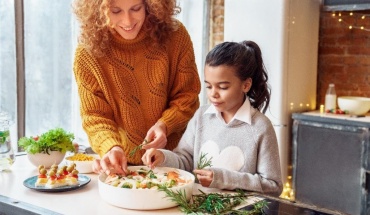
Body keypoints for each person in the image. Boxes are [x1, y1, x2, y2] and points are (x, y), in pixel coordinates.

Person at [72, 0, 201, 175]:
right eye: (116, 11)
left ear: (150, 5)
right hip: (124, 166)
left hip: (176, 160)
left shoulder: (176, 36)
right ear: (98, 11)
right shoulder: (88, 53)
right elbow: (95, 116)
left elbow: (188, 96)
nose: (127, 21)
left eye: (135, 9)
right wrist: (111, 147)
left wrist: (165, 125)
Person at [142, 40, 283, 196]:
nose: (213, 94)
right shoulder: (201, 117)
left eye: (223, 87)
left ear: (246, 85)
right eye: (209, 86)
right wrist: (163, 157)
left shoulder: (260, 127)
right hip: (197, 208)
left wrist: (221, 178)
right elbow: (185, 161)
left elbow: (273, 186)